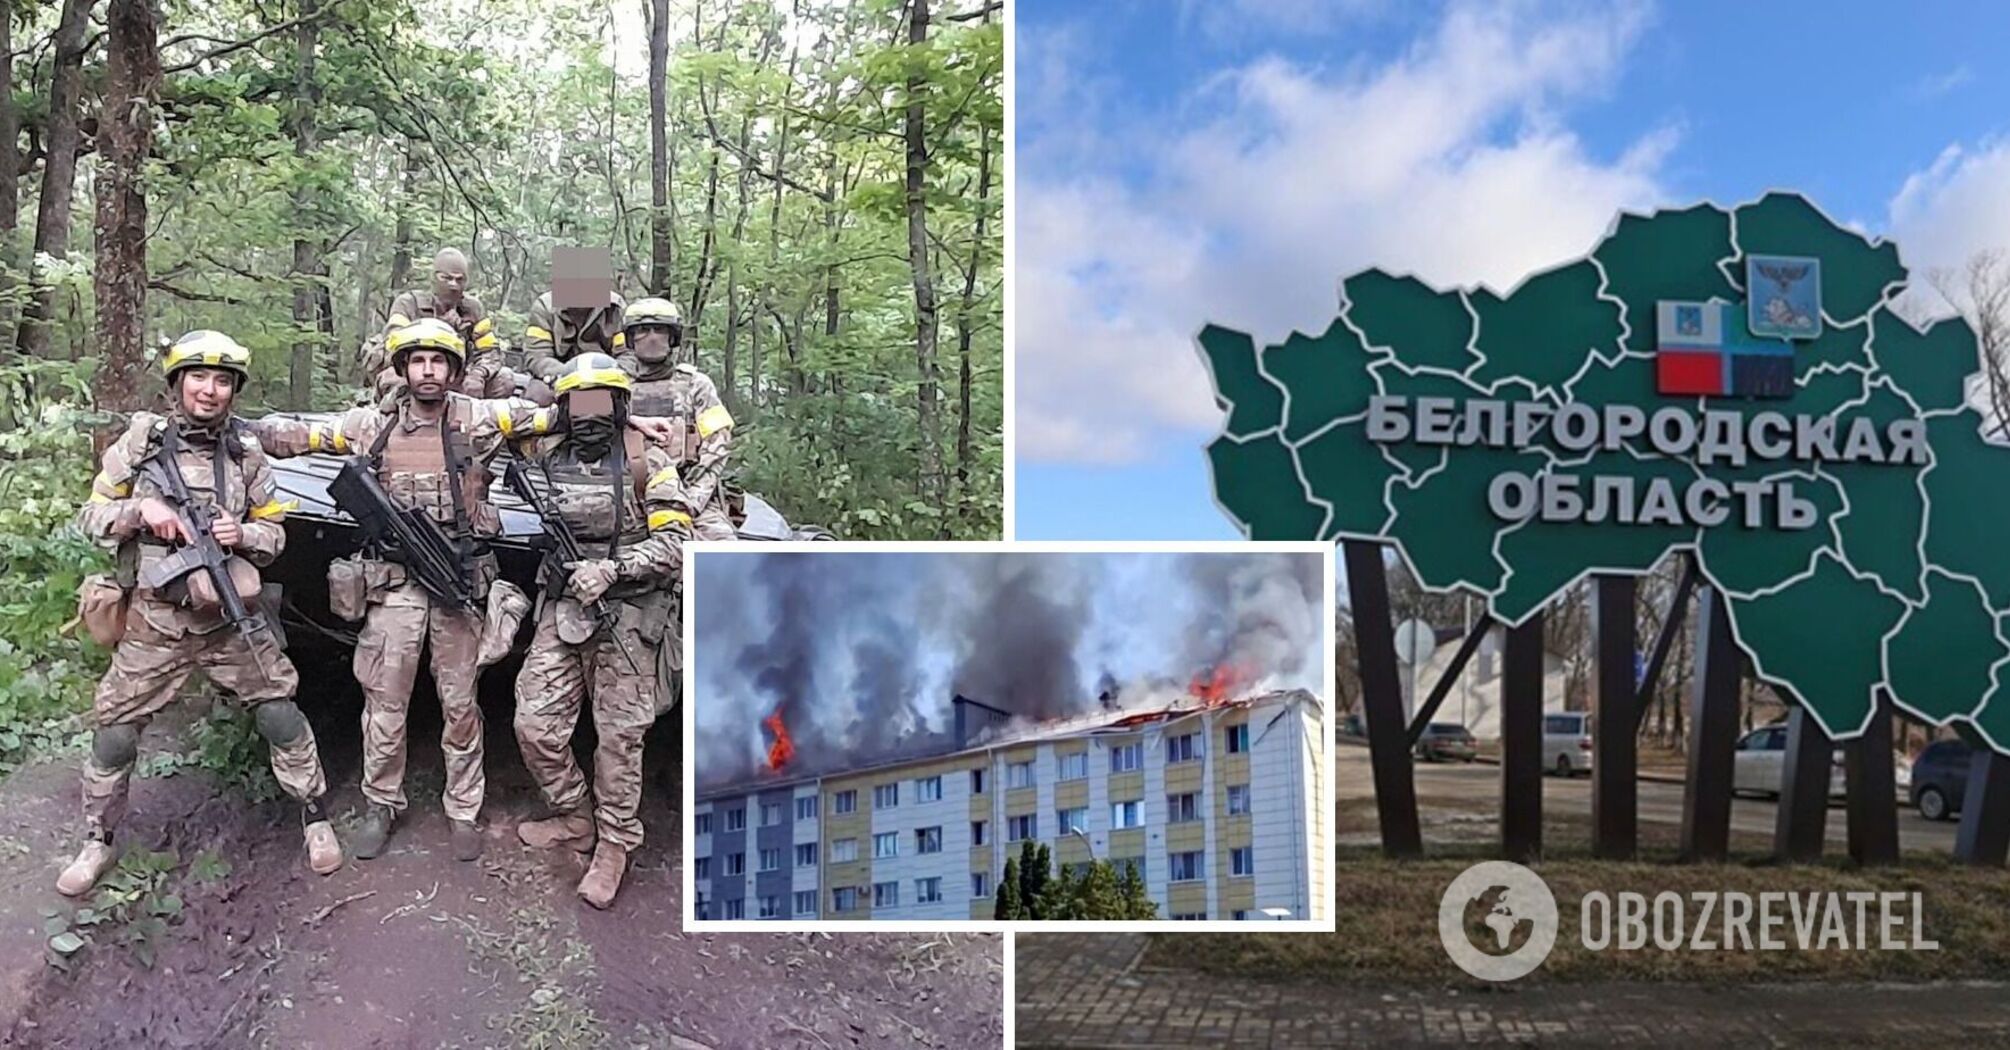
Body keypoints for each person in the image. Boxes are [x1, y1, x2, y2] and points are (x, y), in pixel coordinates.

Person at [245, 318, 570, 862]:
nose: (428, 371)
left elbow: (550, 415)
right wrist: (235, 426)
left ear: (453, 371)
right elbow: (301, 435)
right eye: (417, 361)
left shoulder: (481, 419)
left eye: (438, 361)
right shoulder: (372, 425)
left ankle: (463, 809)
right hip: (395, 585)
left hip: (456, 579)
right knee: (384, 699)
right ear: (402, 369)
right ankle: (382, 802)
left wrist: (632, 422)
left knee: (461, 704)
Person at [63, 331, 343, 896]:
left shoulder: (246, 454)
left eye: (221, 381)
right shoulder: (141, 444)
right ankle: (97, 838)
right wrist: (141, 509)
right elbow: (88, 517)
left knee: (279, 714)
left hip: (228, 618)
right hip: (155, 621)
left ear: (233, 391)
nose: (209, 391)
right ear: (177, 384)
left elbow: (276, 533)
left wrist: (245, 532)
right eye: (198, 378)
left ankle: (314, 817)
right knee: (115, 733)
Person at [510, 353, 691, 908]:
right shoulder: (544, 453)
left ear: (619, 407)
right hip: (565, 609)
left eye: (602, 403)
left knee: (619, 738)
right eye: (578, 403)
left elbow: (678, 543)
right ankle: (574, 817)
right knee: (534, 724)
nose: (590, 416)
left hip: (630, 614)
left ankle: (615, 844)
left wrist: (613, 569)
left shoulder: (648, 463)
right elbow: (492, 427)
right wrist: (546, 418)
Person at [620, 297, 736, 541]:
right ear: (630, 338)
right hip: (625, 493)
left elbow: (717, 447)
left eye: (660, 329)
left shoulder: (695, 384)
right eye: (643, 330)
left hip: (688, 489)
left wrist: (692, 499)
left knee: (723, 551)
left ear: (672, 337)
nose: (652, 337)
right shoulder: (615, 386)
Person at [362, 248, 532, 404]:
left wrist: (478, 374)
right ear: (434, 278)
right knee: (391, 379)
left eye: (460, 279)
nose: (453, 285)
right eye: (446, 278)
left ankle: (476, 429)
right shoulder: (409, 303)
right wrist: (442, 330)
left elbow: (491, 352)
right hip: (415, 374)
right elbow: (393, 346)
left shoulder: (472, 308)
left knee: (504, 379)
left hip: (455, 377)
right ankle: (400, 428)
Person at [522, 288, 626, 386]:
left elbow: (627, 354)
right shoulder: (545, 306)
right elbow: (538, 354)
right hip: (558, 379)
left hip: (607, 380)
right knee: (537, 393)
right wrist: (571, 377)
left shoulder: (616, 308)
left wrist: (606, 379)